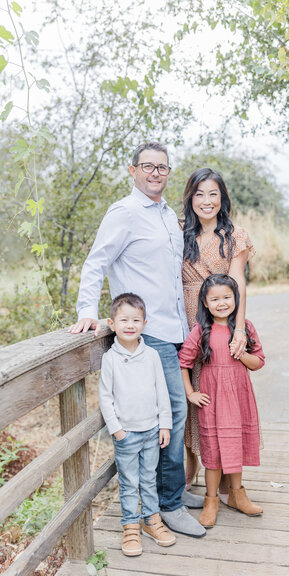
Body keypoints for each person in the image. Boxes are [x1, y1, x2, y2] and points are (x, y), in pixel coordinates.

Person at [69, 141, 206, 538]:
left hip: (178, 330)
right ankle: (170, 505)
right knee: (174, 414)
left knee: (176, 416)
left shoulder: (167, 215)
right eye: (147, 166)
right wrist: (87, 313)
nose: (155, 173)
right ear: (133, 171)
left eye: (162, 167)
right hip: (152, 333)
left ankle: (170, 491)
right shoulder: (124, 213)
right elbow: (96, 262)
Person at [181, 167, 255, 498]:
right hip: (185, 320)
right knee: (193, 395)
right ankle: (193, 462)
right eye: (199, 194)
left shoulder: (234, 235)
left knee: (222, 397)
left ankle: (228, 474)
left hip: (220, 321)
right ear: (190, 198)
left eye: (213, 194)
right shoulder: (180, 233)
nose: (206, 201)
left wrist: (239, 327)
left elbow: (238, 280)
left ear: (222, 197)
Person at [178, 274, 265, 528]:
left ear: (236, 299)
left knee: (235, 445)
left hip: (239, 397)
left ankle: (238, 495)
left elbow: (259, 362)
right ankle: (211, 500)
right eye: (214, 299)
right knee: (213, 451)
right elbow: (183, 362)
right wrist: (190, 393)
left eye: (227, 297)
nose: (222, 303)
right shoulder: (200, 331)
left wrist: (242, 354)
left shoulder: (244, 328)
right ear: (205, 303)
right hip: (212, 400)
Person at [99, 293, 176, 556]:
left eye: (136, 320)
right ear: (112, 323)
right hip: (126, 433)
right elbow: (105, 397)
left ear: (144, 323)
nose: (130, 325)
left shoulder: (152, 355)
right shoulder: (110, 359)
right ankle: (130, 525)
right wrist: (116, 429)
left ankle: (151, 520)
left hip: (152, 430)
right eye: (124, 320)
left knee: (149, 479)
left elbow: (162, 391)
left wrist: (164, 424)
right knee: (129, 482)